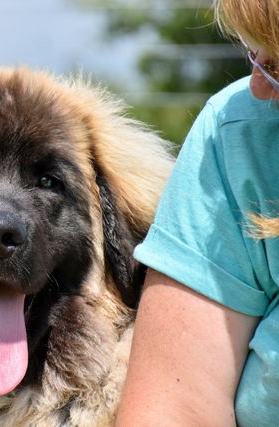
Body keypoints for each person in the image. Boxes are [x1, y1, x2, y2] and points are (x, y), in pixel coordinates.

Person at [115, 1, 279, 426]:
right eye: (257, 53)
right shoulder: (236, 131)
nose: (258, 85)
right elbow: (172, 411)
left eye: (278, 63)